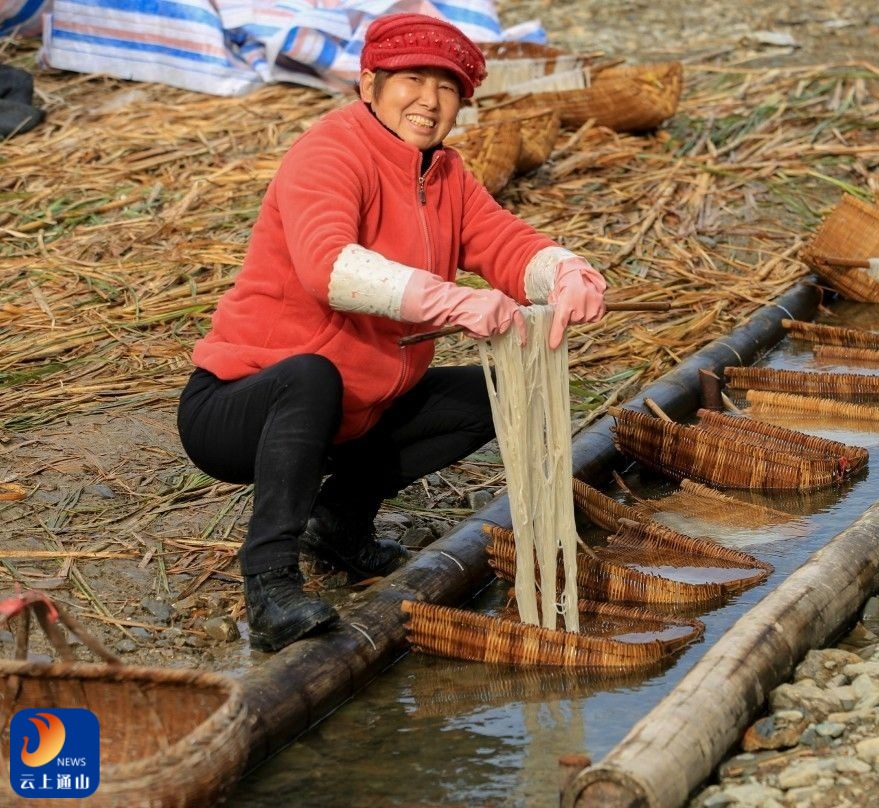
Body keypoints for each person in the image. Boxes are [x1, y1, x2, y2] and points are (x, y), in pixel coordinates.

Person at [176, 13, 607, 653]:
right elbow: (330, 268)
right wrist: (454, 302)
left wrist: (565, 272)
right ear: (369, 84)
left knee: (493, 390)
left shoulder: (446, 174)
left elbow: (504, 242)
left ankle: (340, 522)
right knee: (308, 374)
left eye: (448, 87)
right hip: (242, 405)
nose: (429, 101)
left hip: (354, 413)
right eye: (412, 79)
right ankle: (269, 583)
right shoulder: (329, 152)